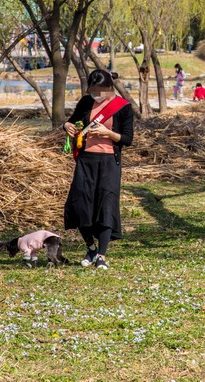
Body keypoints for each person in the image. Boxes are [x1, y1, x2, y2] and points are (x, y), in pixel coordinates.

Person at [62, 69, 134, 270]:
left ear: (109, 88)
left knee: (106, 206)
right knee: (80, 204)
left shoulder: (123, 107)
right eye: (92, 90)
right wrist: (67, 126)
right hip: (86, 160)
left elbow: (128, 139)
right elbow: (72, 119)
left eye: (99, 91)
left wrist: (108, 133)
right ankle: (91, 248)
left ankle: (102, 254)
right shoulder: (86, 102)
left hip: (109, 162)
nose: (96, 95)